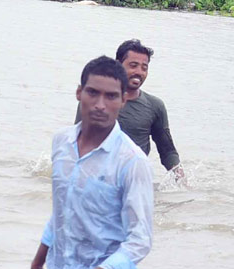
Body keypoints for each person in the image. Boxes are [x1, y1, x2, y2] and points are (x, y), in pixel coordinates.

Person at [35, 56, 154, 269]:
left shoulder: (132, 161)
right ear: (79, 93)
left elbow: (140, 240)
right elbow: (62, 209)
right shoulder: (61, 142)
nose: (100, 104)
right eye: (92, 93)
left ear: (123, 100)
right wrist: (36, 264)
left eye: (111, 96)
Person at [78, 39, 184, 181]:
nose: (139, 72)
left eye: (144, 68)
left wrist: (182, 182)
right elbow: (77, 143)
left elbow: (168, 152)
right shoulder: (94, 100)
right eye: (133, 66)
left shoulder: (155, 106)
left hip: (134, 179)